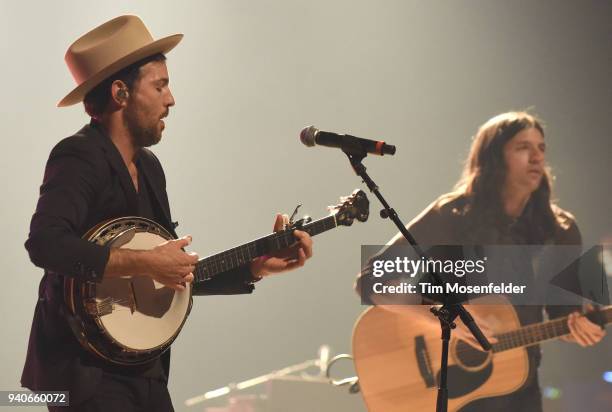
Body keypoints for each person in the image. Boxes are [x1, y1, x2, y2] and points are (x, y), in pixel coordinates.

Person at [22, 15, 313, 412]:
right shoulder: (79, 156)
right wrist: (145, 263)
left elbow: (165, 277)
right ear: (121, 93)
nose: (171, 99)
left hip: (144, 370)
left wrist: (255, 268)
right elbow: (46, 243)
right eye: (159, 86)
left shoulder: (151, 169)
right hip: (83, 376)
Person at [356, 111, 605, 411]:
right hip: (450, 394)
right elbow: (371, 280)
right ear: (493, 158)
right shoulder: (450, 214)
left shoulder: (563, 228)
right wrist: (442, 314)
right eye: (523, 147)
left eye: (541, 148)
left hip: (520, 388)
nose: (537, 157)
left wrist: (586, 326)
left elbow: (567, 313)